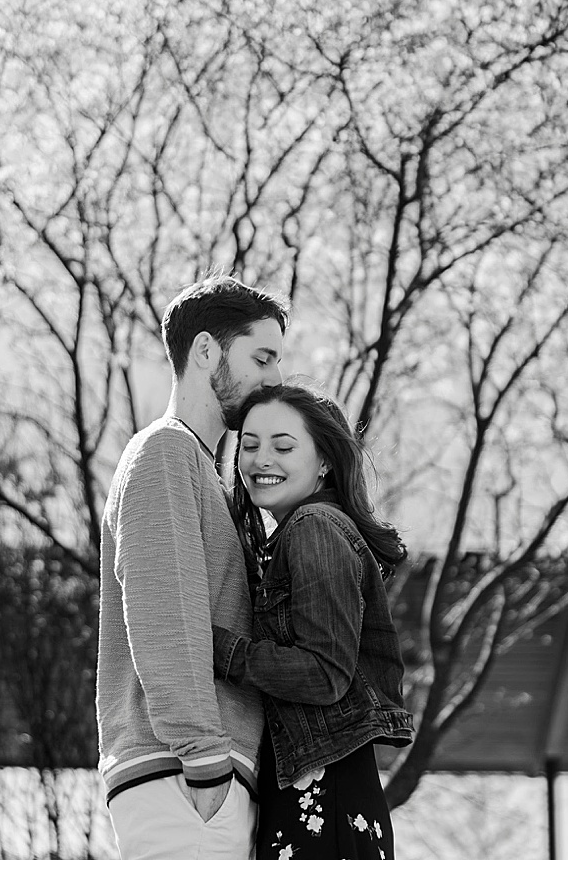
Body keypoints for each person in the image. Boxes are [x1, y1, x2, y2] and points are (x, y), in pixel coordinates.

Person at [98, 276, 287, 860]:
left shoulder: (204, 470)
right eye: (262, 357)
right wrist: (205, 762)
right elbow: (162, 612)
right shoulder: (164, 453)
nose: (274, 378)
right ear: (206, 351)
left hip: (199, 780)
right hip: (182, 779)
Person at [219, 387, 414, 860]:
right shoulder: (299, 531)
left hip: (322, 804)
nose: (261, 459)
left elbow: (324, 672)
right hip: (321, 795)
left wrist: (220, 651)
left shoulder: (314, 527)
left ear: (325, 461)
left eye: (283, 447)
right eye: (249, 445)